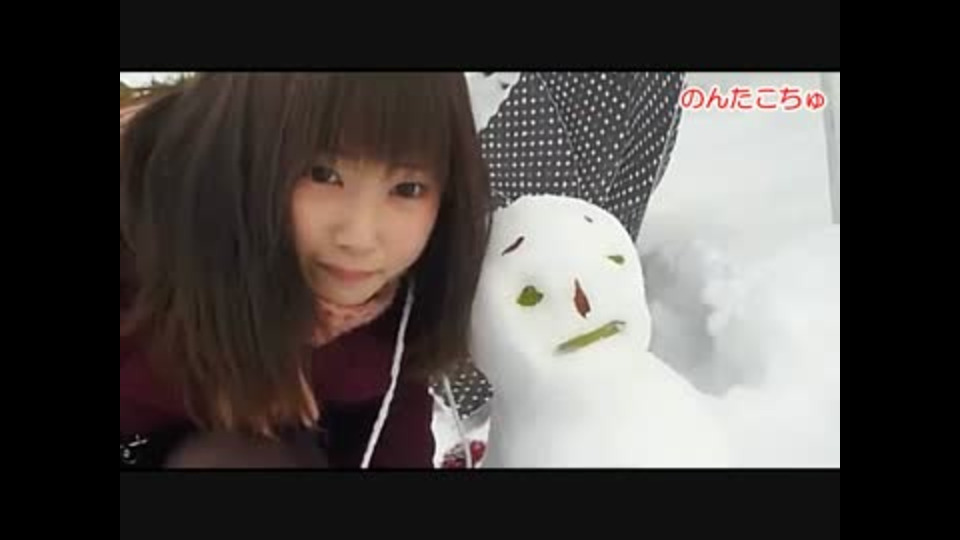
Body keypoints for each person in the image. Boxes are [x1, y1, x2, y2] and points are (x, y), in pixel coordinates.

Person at [120, 73, 491, 468]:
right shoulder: (144, 243)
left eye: (408, 189)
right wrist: (231, 368)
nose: (359, 238)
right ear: (241, 151)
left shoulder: (403, 300)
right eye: (322, 174)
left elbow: (393, 442)